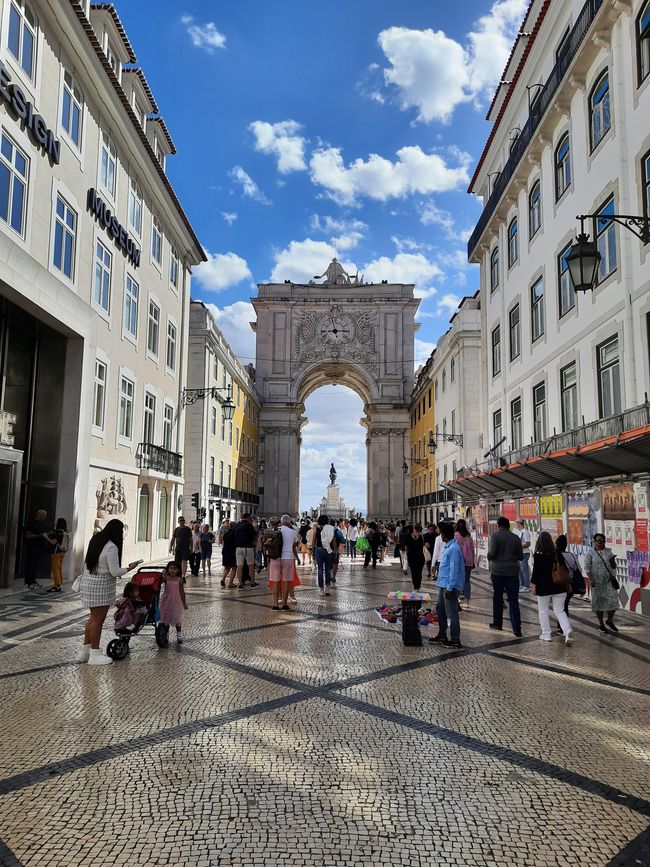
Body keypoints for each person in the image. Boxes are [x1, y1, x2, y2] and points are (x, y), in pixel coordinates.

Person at [78, 519, 141, 665]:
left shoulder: (96, 540)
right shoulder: (111, 547)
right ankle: (95, 654)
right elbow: (114, 572)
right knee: (98, 620)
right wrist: (130, 567)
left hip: (89, 583)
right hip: (101, 587)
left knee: (92, 618)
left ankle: (85, 652)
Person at [530, 531, 574, 644]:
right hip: (559, 586)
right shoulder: (557, 553)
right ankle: (567, 631)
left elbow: (536, 572)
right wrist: (568, 584)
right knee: (559, 610)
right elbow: (564, 568)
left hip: (543, 587)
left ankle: (546, 634)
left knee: (543, 610)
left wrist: (533, 585)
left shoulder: (538, 555)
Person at [429, 523, 465, 648]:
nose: (440, 535)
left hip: (449, 587)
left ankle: (455, 639)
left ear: (444, 535)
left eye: (440, 533)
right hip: (443, 584)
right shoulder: (448, 547)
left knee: (451, 613)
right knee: (441, 610)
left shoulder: (454, 548)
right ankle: (442, 634)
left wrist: (450, 588)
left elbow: (454, 570)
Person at [487, 516, 523, 638]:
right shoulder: (516, 538)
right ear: (508, 525)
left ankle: (497, 623)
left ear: (498, 525)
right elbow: (521, 556)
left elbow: (491, 553)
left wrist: (489, 555)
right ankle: (517, 628)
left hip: (498, 572)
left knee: (497, 597)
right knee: (513, 600)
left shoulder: (495, 536)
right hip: (512, 572)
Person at [584, 533, 620, 633]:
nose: (599, 542)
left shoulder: (609, 552)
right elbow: (587, 568)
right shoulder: (590, 553)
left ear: (605, 541)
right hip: (597, 582)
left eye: (601, 540)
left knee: (613, 600)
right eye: (597, 540)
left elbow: (613, 567)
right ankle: (601, 624)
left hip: (608, 581)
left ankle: (609, 620)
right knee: (598, 603)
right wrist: (591, 579)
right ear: (594, 542)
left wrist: (612, 560)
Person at [556, 534, 583, 626]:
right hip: (570, 584)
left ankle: (562, 626)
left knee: (560, 606)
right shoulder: (571, 555)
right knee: (565, 605)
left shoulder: (555, 556)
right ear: (566, 545)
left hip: (559, 585)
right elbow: (579, 569)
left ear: (556, 544)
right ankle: (562, 625)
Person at [23, 509, 54, 589]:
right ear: (38, 515)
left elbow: (44, 534)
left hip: (39, 547)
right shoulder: (31, 523)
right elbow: (28, 536)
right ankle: (28, 582)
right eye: (43, 515)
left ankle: (33, 580)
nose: (45, 517)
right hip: (32, 547)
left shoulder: (42, 524)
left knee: (35, 565)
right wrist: (40, 536)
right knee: (30, 564)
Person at [160, 561, 188, 644]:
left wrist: (184, 603)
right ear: (168, 569)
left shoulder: (179, 580)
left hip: (176, 601)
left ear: (178, 570)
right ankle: (166, 634)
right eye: (171, 568)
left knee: (176, 617)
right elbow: (159, 581)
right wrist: (163, 573)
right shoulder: (166, 578)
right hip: (166, 600)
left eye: (175, 569)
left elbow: (182, 592)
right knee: (166, 617)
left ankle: (179, 634)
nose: (172, 570)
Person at [276, 514, 299, 608]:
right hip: (288, 557)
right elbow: (296, 543)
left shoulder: (276, 530)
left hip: (277, 558)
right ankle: (285, 603)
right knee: (287, 581)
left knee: (277, 580)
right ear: (289, 522)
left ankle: (278, 599)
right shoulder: (293, 532)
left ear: (281, 522)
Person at [234, 513, 259, 590]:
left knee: (239, 567)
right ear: (248, 518)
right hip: (248, 547)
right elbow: (255, 534)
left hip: (238, 548)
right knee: (251, 566)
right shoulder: (248, 525)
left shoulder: (237, 525)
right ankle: (252, 583)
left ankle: (240, 584)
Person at [454, 519, 474, 608]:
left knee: (458, 580)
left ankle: (457, 599)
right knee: (467, 581)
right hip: (469, 561)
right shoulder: (469, 535)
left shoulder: (456, 536)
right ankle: (467, 601)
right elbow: (472, 550)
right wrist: (472, 560)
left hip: (460, 561)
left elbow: (455, 549)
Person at [48, 517, 70, 593]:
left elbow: (53, 542)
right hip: (62, 552)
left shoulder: (57, 532)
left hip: (56, 552)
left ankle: (57, 585)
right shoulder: (64, 532)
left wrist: (46, 536)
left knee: (55, 569)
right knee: (59, 568)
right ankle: (59, 583)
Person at [314, 514, 335, 596]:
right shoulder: (330, 529)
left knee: (320, 569)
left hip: (319, 550)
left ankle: (321, 589)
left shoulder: (317, 529)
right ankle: (327, 588)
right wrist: (334, 550)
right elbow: (333, 540)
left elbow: (313, 541)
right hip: (328, 550)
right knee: (327, 570)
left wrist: (313, 552)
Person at [404, 524, 426, 591]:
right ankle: (418, 587)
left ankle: (415, 587)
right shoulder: (421, 537)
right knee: (419, 573)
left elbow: (406, 547)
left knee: (414, 573)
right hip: (420, 557)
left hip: (412, 557)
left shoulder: (408, 536)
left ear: (414, 529)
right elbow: (422, 546)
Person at [513, 520, 532, 591]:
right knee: (520, 570)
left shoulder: (525, 532)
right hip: (520, 553)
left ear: (519, 524)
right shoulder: (519, 532)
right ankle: (522, 585)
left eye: (516, 523)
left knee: (524, 570)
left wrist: (519, 546)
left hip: (525, 553)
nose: (515, 525)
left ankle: (526, 586)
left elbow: (528, 543)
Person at [221, 521, 237, 588]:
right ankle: (230, 583)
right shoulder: (235, 534)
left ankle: (223, 579)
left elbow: (223, 543)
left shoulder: (226, 534)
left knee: (227, 567)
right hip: (232, 552)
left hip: (225, 551)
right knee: (234, 567)